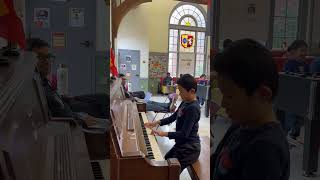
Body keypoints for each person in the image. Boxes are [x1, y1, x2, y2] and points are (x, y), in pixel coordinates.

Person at [211, 39, 290, 180]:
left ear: (263, 94)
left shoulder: (266, 149)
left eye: (229, 96)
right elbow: (215, 164)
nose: (223, 103)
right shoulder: (239, 126)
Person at [29, 38, 110, 132]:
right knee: (100, 111)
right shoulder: (35, 86)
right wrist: (81, 117)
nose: (46, 61)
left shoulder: (43, 79)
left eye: (48, 57)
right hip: (72, 115)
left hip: (67, 102)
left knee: (104, 98)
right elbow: (62, 115)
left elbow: (57, 98)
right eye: (40, 57)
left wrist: (67, 99)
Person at [144, 74, 201, 172]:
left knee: (170, 170)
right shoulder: (185, 102)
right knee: (166, 159)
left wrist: (162, 134)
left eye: (181, 91)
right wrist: (156, 123)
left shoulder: (193, 108)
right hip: (182, 144)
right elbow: (173, 117)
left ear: (192, 91)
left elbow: (184, 134)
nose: (179, 94)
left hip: (189, 149)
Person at [283, 40, 308, 139]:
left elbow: (308, 76)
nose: (304, 53)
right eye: (302, 50)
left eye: (305, 51)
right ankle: (288, 133)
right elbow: (288, 78)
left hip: (302, 97)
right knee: (291, 117)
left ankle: (295, 133)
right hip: (291, 98)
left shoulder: (305, 65)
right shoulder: (290, 64)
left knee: (300, 118)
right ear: (293, 52)